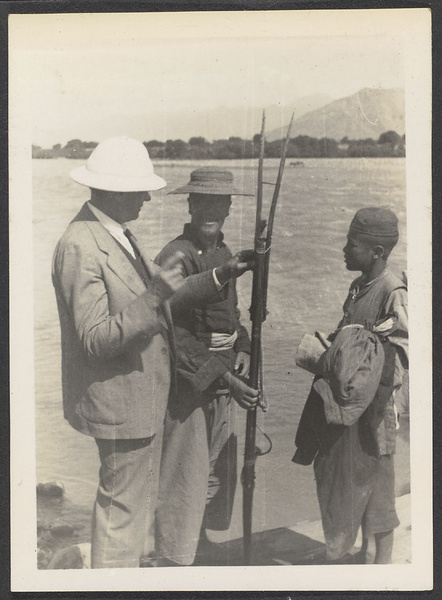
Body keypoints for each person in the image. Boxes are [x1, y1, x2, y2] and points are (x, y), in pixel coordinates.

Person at [52, 139, 252, 568]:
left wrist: (221, 274)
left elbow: (167, 295)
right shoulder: (80, 245)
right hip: (120, 404)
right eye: (140, 190)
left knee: (129, 516)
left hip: (140, 400)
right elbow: (96, 339)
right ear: (113, 191)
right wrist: (157, 293)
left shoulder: (116, 235)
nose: (147, 198)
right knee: (121, 519)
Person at [154, 167, 260, 566]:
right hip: (190, 380)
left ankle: (195, 542)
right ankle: (173, 556)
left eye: (219, 202)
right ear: (190, 204)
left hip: (220, 372)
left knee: (211, 464)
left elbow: (228, 315)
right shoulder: (175, 255)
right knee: (184, 469)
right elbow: (169, 333)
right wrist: (226, 377)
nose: (210, 210)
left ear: (229, 208)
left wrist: (245, 345)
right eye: (203, 202)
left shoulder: (222, 253)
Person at [293, 206, 408, 564]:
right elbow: (351, 338)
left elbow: (403, 350)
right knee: (352, 475)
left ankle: (383, 563)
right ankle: (361, 550)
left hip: (378, 406)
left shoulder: (393, 291)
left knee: (380, 481)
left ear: (377, 252)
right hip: (353, 402)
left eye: (352, 244)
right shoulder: (358, 287)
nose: (344, 249)